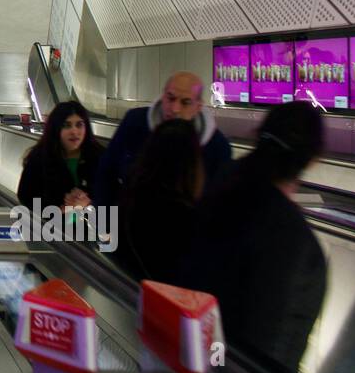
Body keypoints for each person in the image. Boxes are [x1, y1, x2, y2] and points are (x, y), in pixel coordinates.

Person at [181, 102, 327, 373]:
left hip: (189, 349)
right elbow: (276, 341)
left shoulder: (222, 183)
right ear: (313, 158)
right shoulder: (293, 239)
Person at [93, 71, 231, 209]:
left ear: (198, 107)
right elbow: (106, 172)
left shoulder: (216, 147)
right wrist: (104, 224)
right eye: (170, 98)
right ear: (163, 95)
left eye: (185, 102)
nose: (175, 108)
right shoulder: (135, 122)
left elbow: (218, 204)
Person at [119, 119, 203, 284]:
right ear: (191, 163)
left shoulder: (130, 198)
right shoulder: (187, 217)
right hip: (163, 301)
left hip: (129, 293)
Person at [16, 100, 103, 215]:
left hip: (93, 229)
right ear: (56, 129)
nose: (74, 131)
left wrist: (89, 204)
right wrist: (59, 210)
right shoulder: (39, 158)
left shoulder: (100, 157)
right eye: (67, 125)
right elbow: (26, 196)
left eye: (79, 125)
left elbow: (115, 197)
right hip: (53, 229)